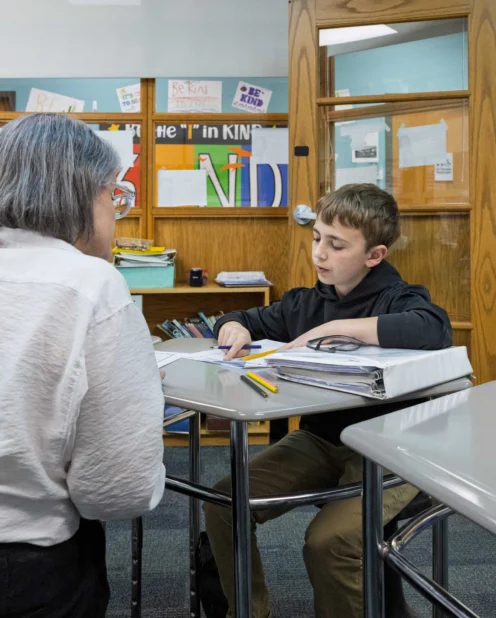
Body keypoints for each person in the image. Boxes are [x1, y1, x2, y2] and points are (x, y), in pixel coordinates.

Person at [204, 183, 452, 618]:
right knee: (224, 502)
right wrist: (234, 327)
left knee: (329, 541)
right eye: (317, 237)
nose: (320, 252)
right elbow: (240, 317)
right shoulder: (305, 302)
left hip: (390, 446)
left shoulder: (400, 297)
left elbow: (432, 329)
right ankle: (250, 610)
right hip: (322, 442)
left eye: (336, 245)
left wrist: (333, 331)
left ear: (374, 255)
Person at [0, 113, 165, 618]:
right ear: (80, 194)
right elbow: (116, 491)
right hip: (30, 567)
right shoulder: (91, 285)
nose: (117, 212)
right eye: (114, 195)